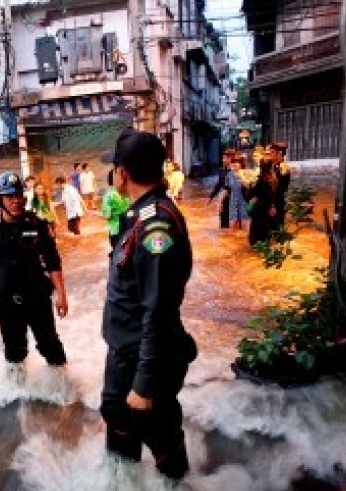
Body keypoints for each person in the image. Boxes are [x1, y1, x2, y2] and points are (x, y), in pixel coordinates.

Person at [101, 129, 197, 482]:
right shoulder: (139, 216)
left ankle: (176, 484)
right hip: (128, 353)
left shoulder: (156, 224)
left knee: (160, 433)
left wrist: (142, 385)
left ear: (122, 172)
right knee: (118, 420)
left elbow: (157, 310)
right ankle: (123, 483)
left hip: (145, 360)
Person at [0, 172, 69, 380]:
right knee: (14, 351)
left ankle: (64, 388)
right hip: (7, 302)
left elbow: (53, 263)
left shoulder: (37, 225)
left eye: (19, 196)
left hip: (38, 299)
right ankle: (19, 394)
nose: (16, 201)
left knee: (50, 344)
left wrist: (62, 296)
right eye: (10, 197)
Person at [247, 158, 279, 246]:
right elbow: (274, 195)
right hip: (268, 208)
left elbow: (251, 194)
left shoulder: (260, 181)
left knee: (257, 233)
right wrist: (273, 206)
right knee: (267, 231)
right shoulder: (273, 180)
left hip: (260, 209)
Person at [101, 169, 131, 248]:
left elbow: (107, 216)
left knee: (117, 255)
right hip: (129, 229)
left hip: (115, 231)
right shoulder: (127, 192)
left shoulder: (108, 196)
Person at [208, 151, 232, 229]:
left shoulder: (234, 171)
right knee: (223, 221)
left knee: (231, 222)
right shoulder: (222, 171)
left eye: (225, 158)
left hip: (232, 200)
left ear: (230, 159)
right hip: (224, 199)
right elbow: (219, 185)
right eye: (223, 158)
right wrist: (211, 197)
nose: (223, 160)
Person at [226, 159, 249, 231]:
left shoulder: (245, 173)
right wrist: (221, 202)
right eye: (234, 163)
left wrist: (242, 178)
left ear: (240, 164)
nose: (236, 164)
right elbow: (226, 188)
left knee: (244, 220)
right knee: (233, 221)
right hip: (233, 199)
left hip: (243, 199)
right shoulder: (229, 174)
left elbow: (249, 186)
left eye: (237, 163)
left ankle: (243, 238)